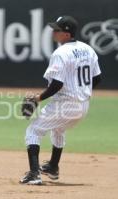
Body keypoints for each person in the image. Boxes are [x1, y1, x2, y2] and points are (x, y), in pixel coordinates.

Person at [20, 16, 102, 185]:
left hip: (66, 103)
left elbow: (57, 84)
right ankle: (53, 167)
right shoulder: (88, 49)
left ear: (66, 34)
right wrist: (81, 90)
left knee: (33, 131)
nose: (53, 32)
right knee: (58, 129)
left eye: (56, 30)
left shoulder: (60, 53)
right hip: (83, 105)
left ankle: (34, 174)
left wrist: (38, 98)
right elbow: (98, 78)